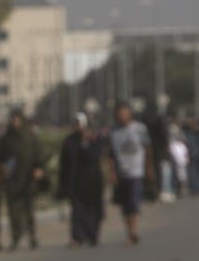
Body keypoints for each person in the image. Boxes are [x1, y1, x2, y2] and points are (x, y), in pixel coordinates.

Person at [108, 102, 153, 245]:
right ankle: (129, 230)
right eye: (119, 113)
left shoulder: (140, 129)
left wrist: (149, 168)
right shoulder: (114, 132)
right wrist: (112, 172)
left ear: (130, 113)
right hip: (122, 173)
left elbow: (147, 149)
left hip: (136, 172)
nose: (121, 115)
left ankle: (133, 232)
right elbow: (110, 154)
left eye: (124, 112)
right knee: (125, 205)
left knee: (134, 203)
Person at [0, 109, 42, 250]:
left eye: (17, 119)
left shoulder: (30, 136)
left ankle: (32, 237)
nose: (15, 122)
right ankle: (16, 238)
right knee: (14, 211)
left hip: (27, 178)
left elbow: (38, 154)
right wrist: (3, 166)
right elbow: (0, 156)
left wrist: (38, 168)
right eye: (13, 119)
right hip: (12, 179)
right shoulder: (6, 139)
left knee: (28, 209)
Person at [58, 113, 105, 247]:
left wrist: (85, 143)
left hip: (92, 182)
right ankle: (77, 237)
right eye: (76, 124)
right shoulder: (69, 141)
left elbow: (93, 157)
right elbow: (65, 163)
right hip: (75, 182)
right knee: (77, 211)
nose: (78, 127)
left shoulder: (93, 140)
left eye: (80, 124)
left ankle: (92, 235)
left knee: (92, 210)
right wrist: (62, 184)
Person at [182, 116, 199, 197]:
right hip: (192, 155)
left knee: (197, 172)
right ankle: (194, 188)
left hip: (198, 154)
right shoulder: (188, 132)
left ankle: (197, 188)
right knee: (193, 172)